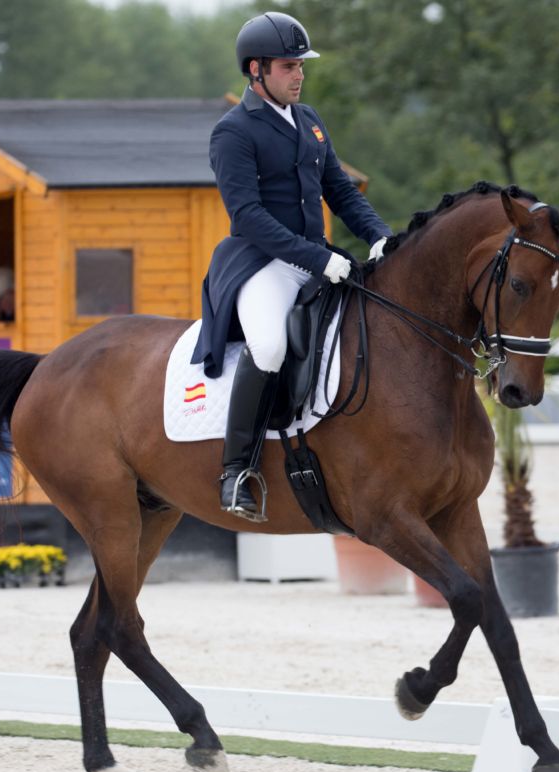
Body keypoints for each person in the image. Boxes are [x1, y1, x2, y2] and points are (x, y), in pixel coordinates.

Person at [191, 11, 393, 522]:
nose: (299, 74)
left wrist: (380, 237)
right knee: (271, 345)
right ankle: (235, 470)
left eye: (301, 65)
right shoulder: (233, 132)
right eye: (288, 66)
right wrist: (319, 258)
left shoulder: (310, 121)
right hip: (262, 262)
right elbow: (249, 217)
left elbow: (340, 190)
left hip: (315, 259)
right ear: (256, 70)